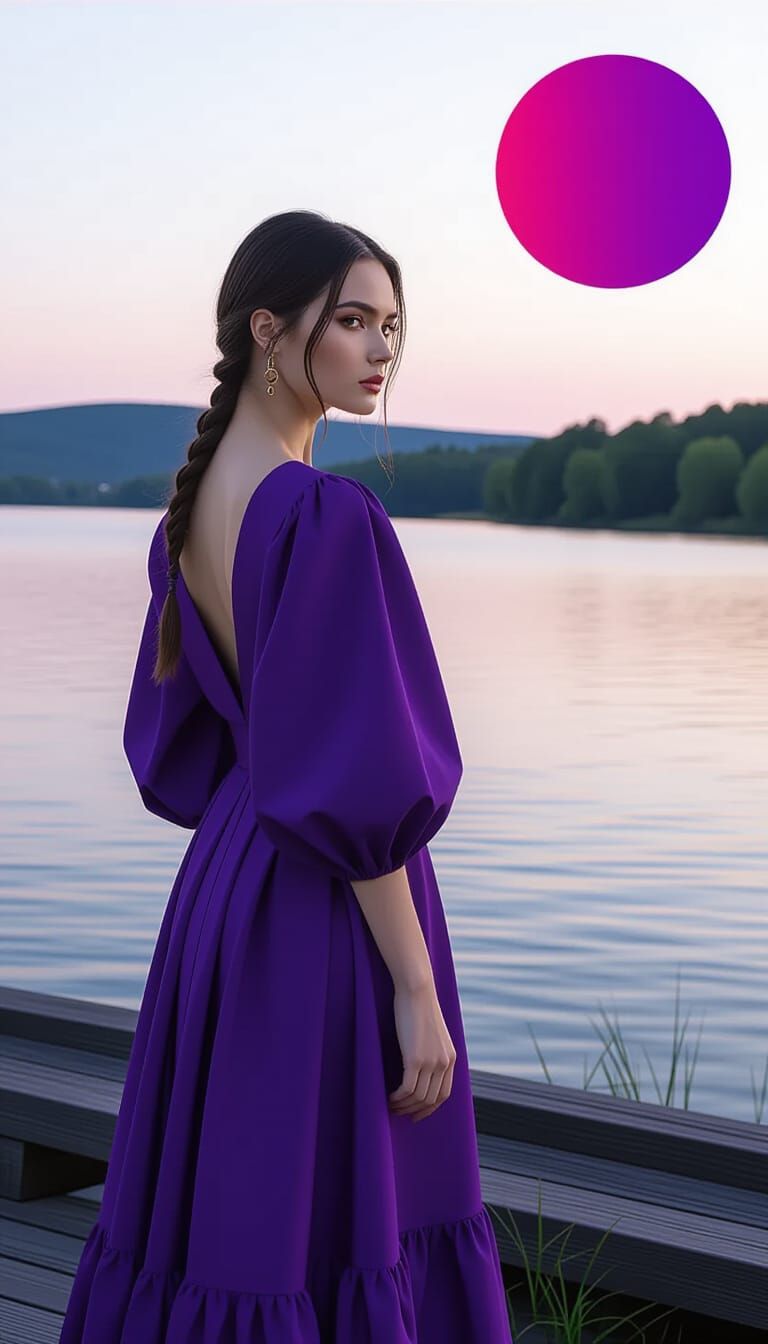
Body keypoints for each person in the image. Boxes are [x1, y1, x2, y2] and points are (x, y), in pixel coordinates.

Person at [59, 209, 513, 1342]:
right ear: (271, 329)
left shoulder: (194, 506)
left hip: (227, 896)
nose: (379, 352)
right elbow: (354, 783)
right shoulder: (320, 512)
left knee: (241, 1215)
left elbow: (189, 749)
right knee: (341, 1210)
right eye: (351, 320)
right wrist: (415, 986)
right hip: (321, 911)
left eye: (391, 327)